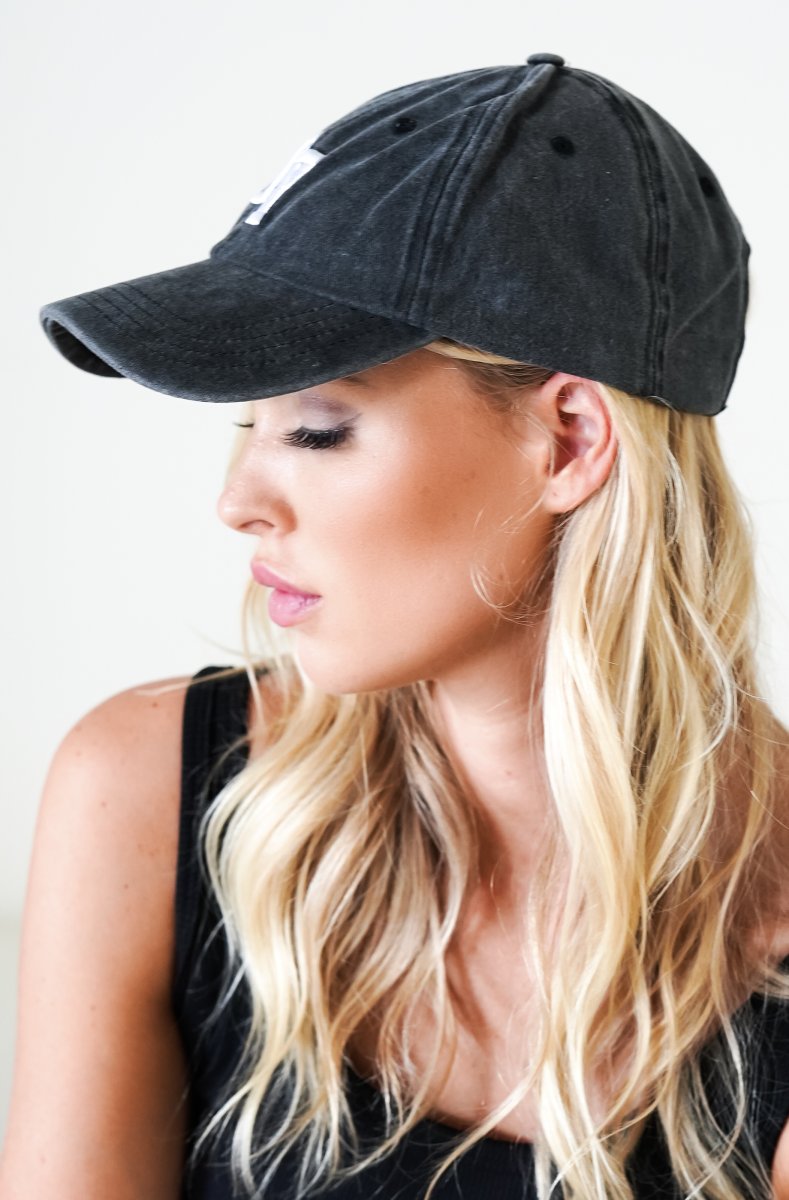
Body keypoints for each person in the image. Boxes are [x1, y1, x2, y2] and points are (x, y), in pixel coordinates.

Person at [2, 52, 789, 1200]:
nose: (238, 502)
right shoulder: (149, 798)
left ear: (569, 440)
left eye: (316, 430)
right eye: (249, 427)